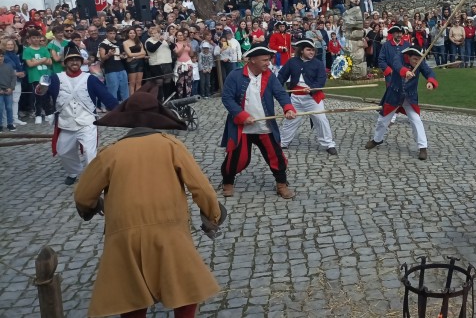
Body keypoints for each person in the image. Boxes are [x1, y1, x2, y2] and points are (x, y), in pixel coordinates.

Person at [73, 88, 225, 318]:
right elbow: (201, 188)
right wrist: (212, 216)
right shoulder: (171, 145)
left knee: (129, 292)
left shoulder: (110, 153)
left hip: (124, 234)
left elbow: (83, 195)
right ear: (158, 116)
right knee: (184, 286)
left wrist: (91, 208)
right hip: (169, 229)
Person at [220, 46, 297, 198]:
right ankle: (227, 182)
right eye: (265, 60)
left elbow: (280, 93)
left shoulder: (269, 76)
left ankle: (281, 184)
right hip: (242, 127)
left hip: (264, 126)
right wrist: (242, 115)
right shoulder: (235, 76)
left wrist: (288, 108)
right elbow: (227, 98)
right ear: (252, 60)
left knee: (276, 156)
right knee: (236, 158)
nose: (268, 63)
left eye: (268, 60)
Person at [48, 44, 119, 185]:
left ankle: (95, 179)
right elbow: (42, 95)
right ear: (65, 62)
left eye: (77, 59)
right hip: (66, 123)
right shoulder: (56, 78)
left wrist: (119, 109)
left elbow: (105, 96)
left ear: (81, 62)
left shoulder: (90, 79)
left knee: (90, 154)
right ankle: (73, 172)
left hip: (87, 123)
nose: (74, 62)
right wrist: (40, 89)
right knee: (63, 151)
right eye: (71, 59)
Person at [364, 47, 438, 160]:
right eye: (414, 59)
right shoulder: (399, 57)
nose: (416, 62)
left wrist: (431, 82)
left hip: (409, 98)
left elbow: (429, 72)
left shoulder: (420, 62)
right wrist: (406, 72)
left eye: (418, 60)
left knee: (416, 120)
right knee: (382, 120)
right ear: (408, 57)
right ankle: (377, 140)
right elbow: (397, 66)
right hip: (394, 95)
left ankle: (423, 147)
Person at [277, 40, 337, 155]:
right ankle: (283, 142)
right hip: (295, 98)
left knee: (321, 120)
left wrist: (313, 88)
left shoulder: (318, 64)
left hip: (312, 98)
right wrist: (277, 89)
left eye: (313, 50)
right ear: (301, 50)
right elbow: (281, 76)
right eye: (308, 50)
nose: (311, 52)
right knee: (290, 120)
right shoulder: (292, 62)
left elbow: (321, 80)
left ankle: (329, 143)